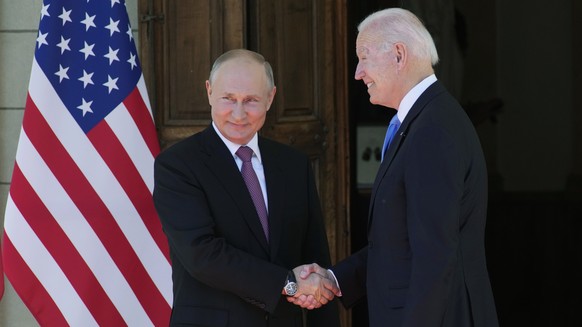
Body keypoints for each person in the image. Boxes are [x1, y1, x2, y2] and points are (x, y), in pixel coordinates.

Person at [291, 8, 499, 327]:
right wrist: (335, 278)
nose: (358, 72)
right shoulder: (422, 120)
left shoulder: (432, 130)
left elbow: (433, 257)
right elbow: (398, 242)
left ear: (399, 55)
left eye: (364, 57)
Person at [153, 49, 340, 326]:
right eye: (228, 99)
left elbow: (315, 260)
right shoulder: (178, 165)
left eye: (251, 100)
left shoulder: (294, 164)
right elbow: (202, 255)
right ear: (209, 92)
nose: (239, 114)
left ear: (270, 98)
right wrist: (287, 284)